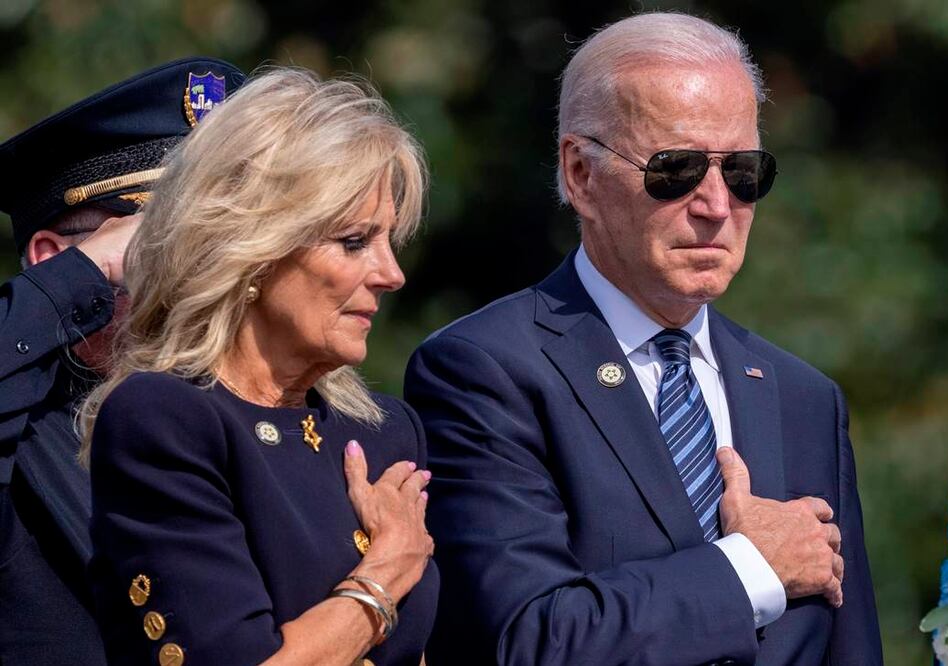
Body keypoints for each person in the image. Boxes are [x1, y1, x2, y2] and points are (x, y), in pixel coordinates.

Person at [405, 13, 883, 665]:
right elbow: (529, 640)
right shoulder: (485, 371)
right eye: (677, 169)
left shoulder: (803, 399)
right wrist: (748, 569)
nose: (717, 204)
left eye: (743, 171)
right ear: (581, 173)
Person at [79, 68, 437, 665]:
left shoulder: (385, 431)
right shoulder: (163, 419)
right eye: (354, 241)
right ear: (253, 249)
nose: (391, 273)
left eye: (390, 241)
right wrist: (387, 573)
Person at [0, 57, 244, 664]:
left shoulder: (260, 415)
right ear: (55, 257)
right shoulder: (24, 431)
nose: (206, 275)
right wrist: (78, 278)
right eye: (168, 244)